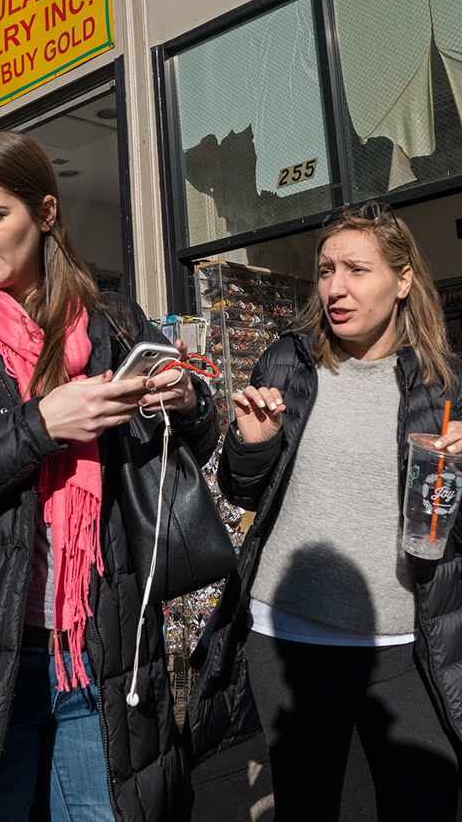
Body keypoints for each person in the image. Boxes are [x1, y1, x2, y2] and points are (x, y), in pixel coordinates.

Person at [0, 130, 218, 822]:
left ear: (46, 213)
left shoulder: (112, 324)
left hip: (101, 655)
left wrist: (189, 403)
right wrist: (40, 425)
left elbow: (176, 460)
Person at [185, 203, 462, 821]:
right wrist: (251, 447)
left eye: (357, 270)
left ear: (404, 278)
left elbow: (449, 523)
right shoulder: (289, 359)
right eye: (326, 269)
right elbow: (242, 490)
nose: (335, 287)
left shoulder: (444, 385)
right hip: (290, 636)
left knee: (427, 803)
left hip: (407, 642)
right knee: (308, 807)